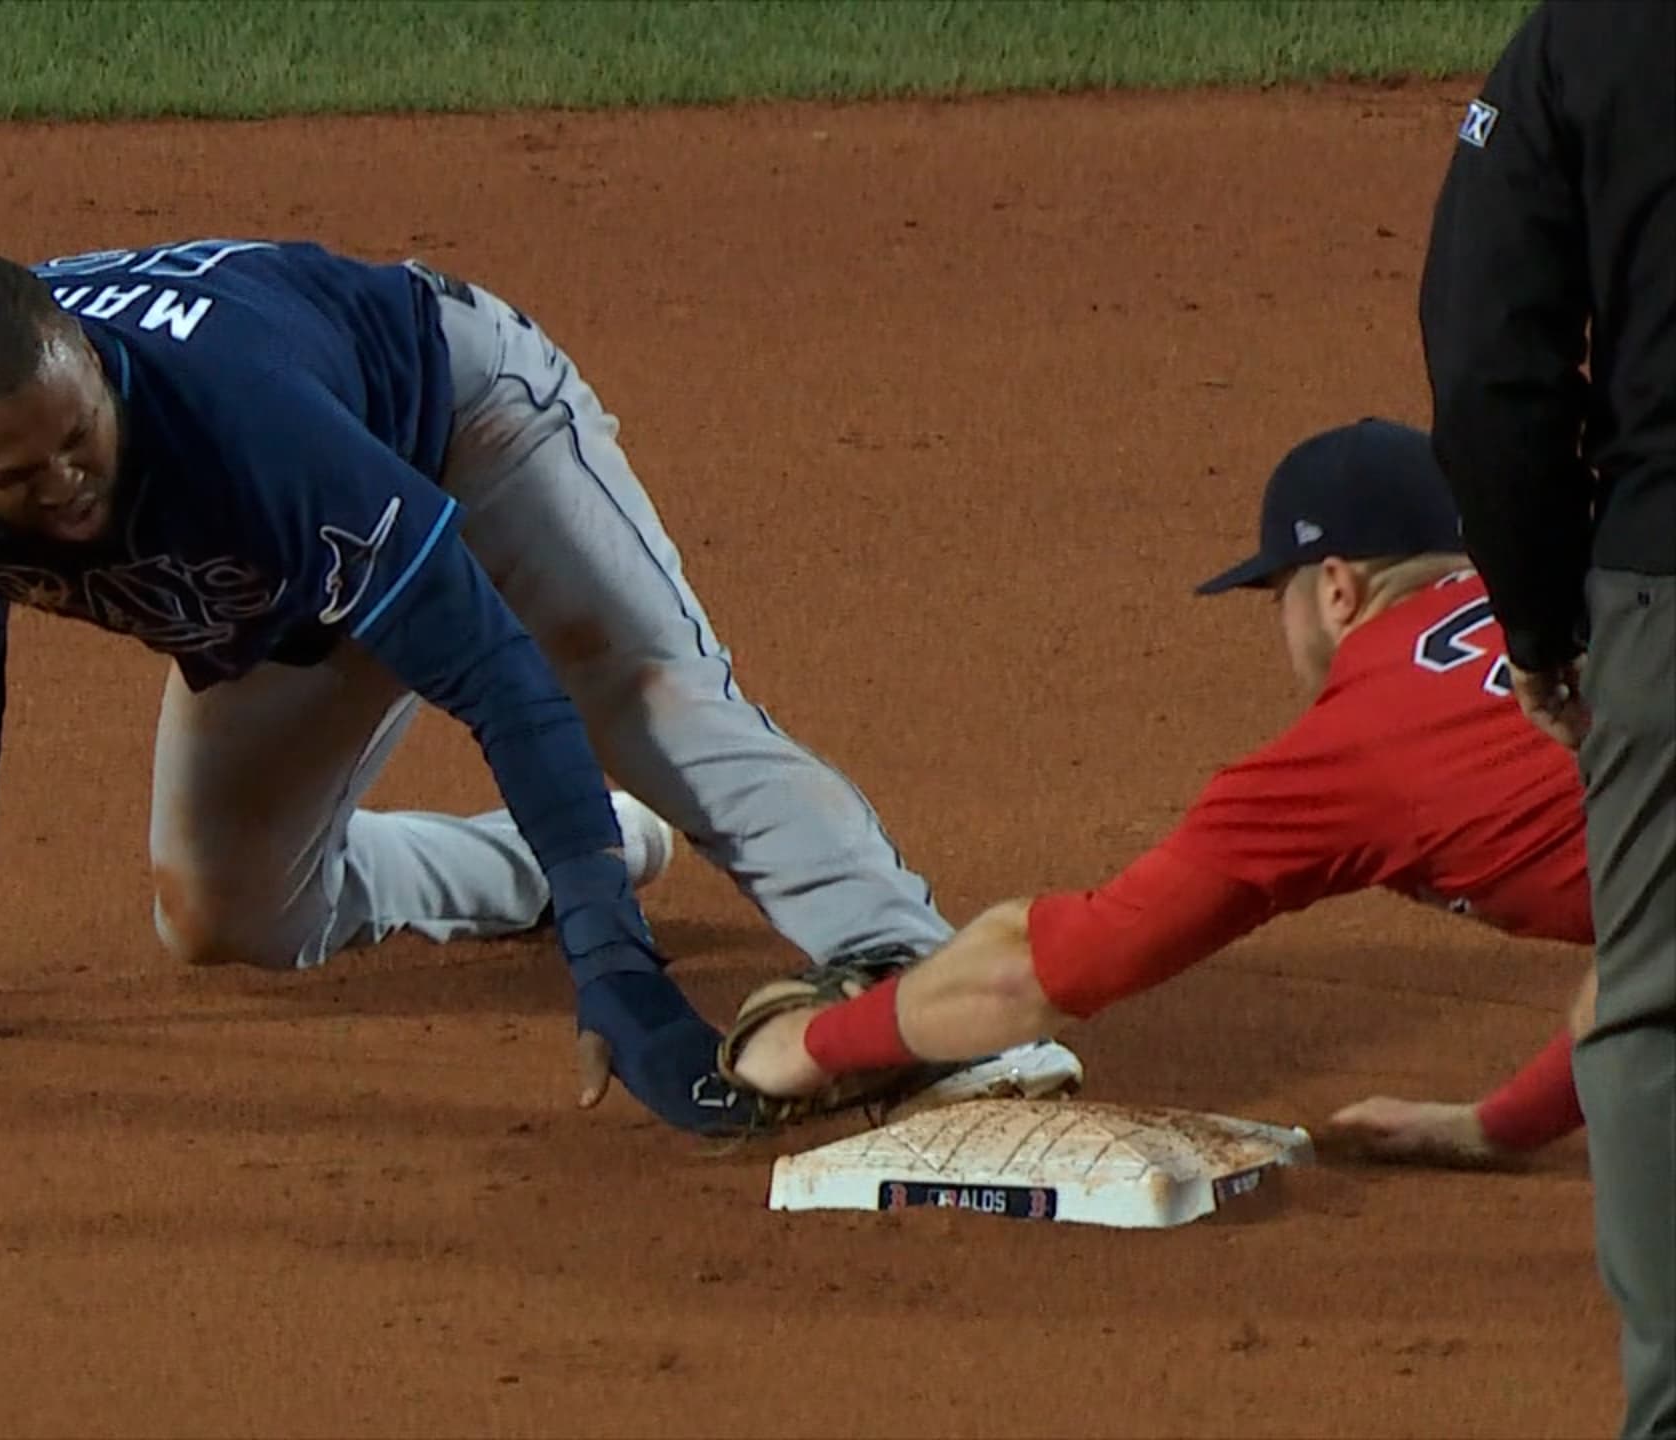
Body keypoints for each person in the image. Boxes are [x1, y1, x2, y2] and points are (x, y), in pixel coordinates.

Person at [0, 236, 1077, 1136]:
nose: (61, 481)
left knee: (635, 692)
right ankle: (554, 859)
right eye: (13, 475)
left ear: (88, 356)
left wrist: (616, 967)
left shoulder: (232, 413)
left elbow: (496, 672)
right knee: (225, 915)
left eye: (79, 437)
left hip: (461, 425)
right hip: (288, 575)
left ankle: (921, 977)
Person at [715, 420, 1600, 1168]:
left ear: (1336, 588)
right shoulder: (1597, 596)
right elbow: (1650, 944)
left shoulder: (1358, 749)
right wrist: (1496, 1128)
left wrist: (811, 1048)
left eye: (1276, 595)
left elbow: (1042, 966)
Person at [1415, 3, 1676, 1433]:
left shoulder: (1591, 33)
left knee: (1661, 1015)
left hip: (1668, 584)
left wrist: (1541, 619)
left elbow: (1489, 362)